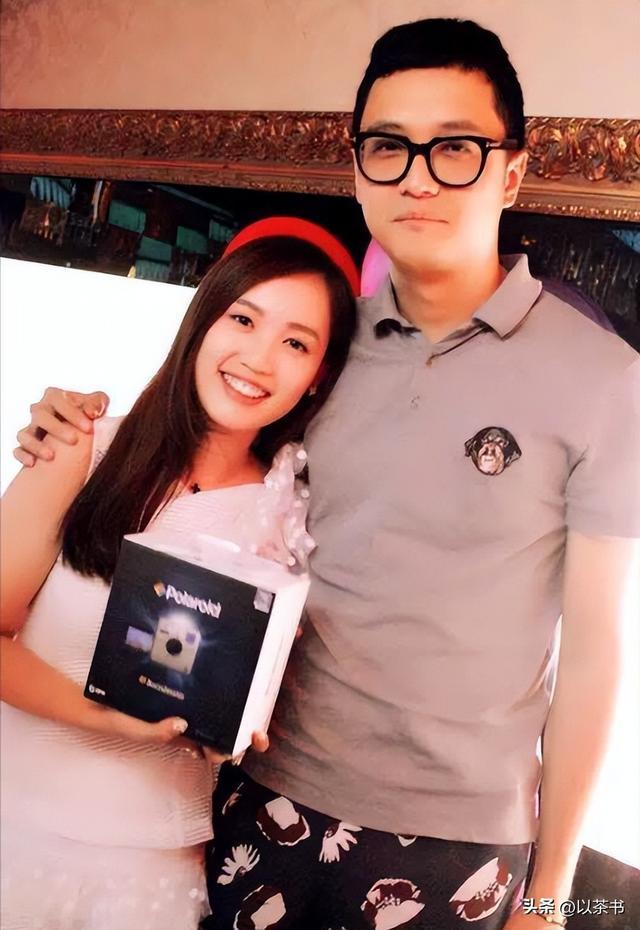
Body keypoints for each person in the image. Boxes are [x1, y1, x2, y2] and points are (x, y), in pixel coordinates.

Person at [14, 17, 640, 930]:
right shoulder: (322, 351)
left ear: (511, 171)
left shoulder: (605, 379)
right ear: (357, 169)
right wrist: (69, 428)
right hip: (253, 792)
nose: (418, 177)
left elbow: (593, 656)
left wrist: (550, 895)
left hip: (458, 838)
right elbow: (203, 446)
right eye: (390, 147)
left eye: (455, 148)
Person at [1, 235, 356, 930]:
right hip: (14, 820)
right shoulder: (84, 448)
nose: (258, 358)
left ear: (318, 375)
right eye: (243, 319)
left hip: (153, 864)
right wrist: (107, 717)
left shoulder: (295, 522)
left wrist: (249, 720)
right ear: (202, 321)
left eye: (295, 342)